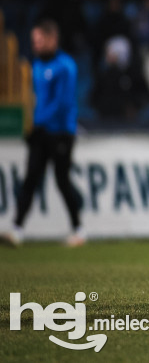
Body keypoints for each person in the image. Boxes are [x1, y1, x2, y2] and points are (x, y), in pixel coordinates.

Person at [0, 20, 83, 248]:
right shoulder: (36, 66)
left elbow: (62, 103)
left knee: (62, 180)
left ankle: (78, 229)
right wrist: (34, 125)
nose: (35, 44)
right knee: (30, 180)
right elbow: (38, 101)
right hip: (41, 132)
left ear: (52, 39)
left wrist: (38, 124)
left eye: (39, 40)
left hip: (61, 132)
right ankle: (17, 229)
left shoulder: (66, 66)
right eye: (33, 40)